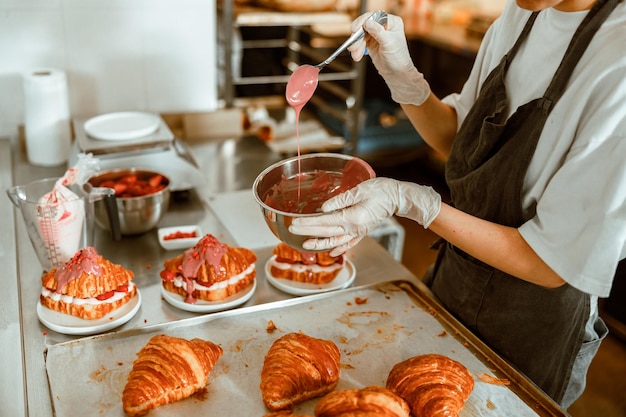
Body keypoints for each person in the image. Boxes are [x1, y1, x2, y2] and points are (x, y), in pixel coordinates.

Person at [289, 0, 626, 409]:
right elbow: (458, 142)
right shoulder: (521, 14)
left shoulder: (617, 63)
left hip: (534, 326)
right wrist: (404, 78)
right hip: (455, 281)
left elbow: (551, 263)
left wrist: (412, 202)